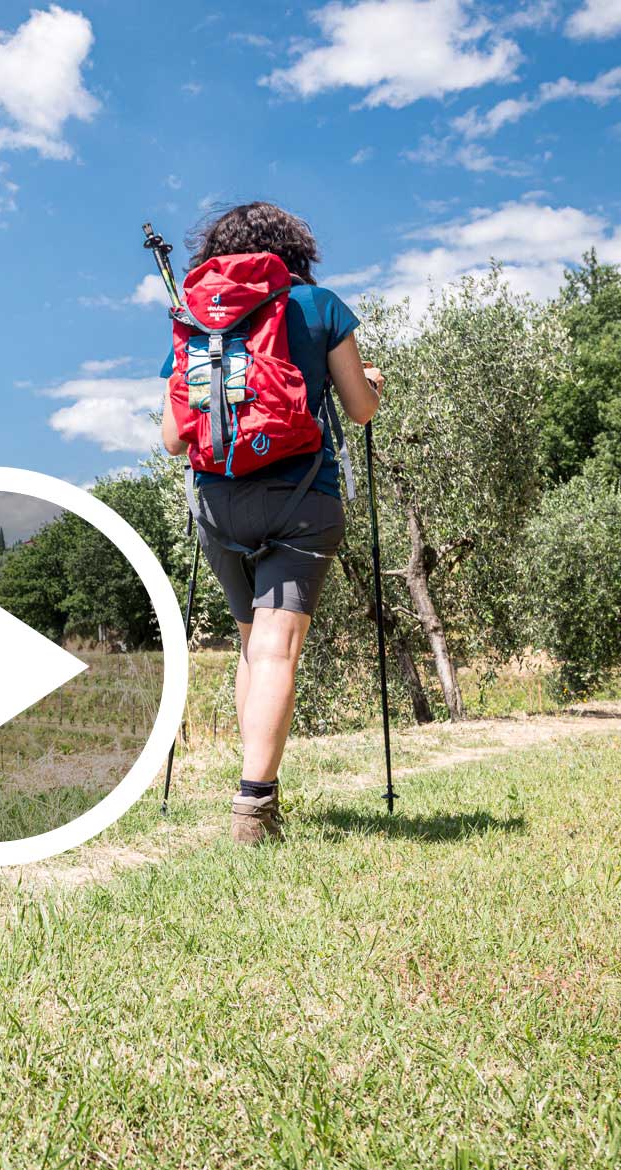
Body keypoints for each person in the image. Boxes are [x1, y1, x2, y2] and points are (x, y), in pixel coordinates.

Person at [160, 201, 384, 845]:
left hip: (217, 503)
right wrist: (370, 379)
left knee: (251, 646)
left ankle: (254, 789)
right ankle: (254, 806)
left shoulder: (191, 317)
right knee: (277, 649)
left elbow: (175, 437)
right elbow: (360, 409)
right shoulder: (318, 306)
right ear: (294, 249)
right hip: (301, 496)